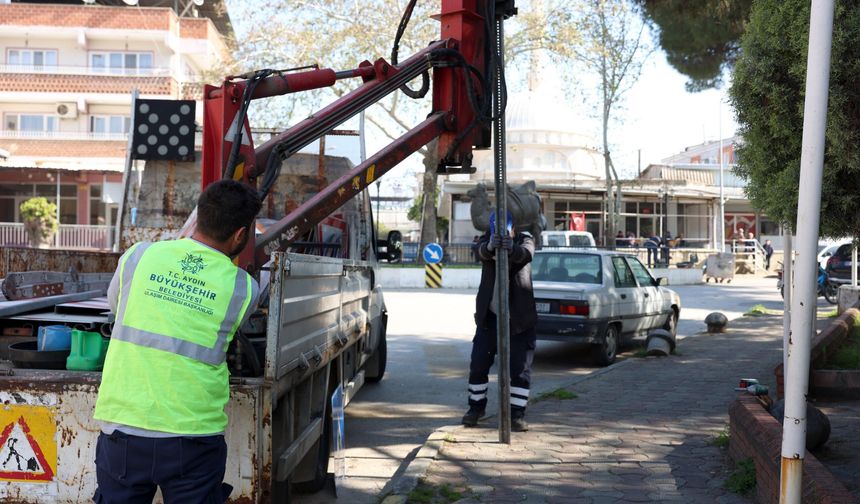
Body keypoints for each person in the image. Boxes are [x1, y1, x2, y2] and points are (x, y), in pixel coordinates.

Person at [92, 180, 262, 504]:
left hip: (124, 428)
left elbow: (117, 307)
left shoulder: (139, 256)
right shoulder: (244, 289)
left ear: (197, 218)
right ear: (240, 234)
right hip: (193, 439)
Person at [462, 211, 537, 432]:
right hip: (490, 318)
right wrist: (490, 246)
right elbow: (479, 252)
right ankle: (475, 409)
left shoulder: (525, 238)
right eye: (497, 231)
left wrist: (511, 248)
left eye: (505, 230)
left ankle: (516, 416)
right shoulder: (487, 239)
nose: (501, 234)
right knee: (478, 365)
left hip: (519, 320)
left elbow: (526, 254)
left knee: (520, 370)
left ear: (513, 228)